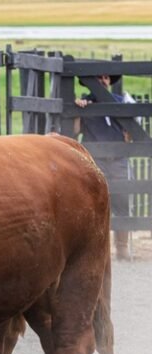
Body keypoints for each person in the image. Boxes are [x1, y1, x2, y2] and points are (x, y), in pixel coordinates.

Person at [74, 73, 134, 260]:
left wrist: (124, 143)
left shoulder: (119, 102)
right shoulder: (85, 102)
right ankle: (97, 252)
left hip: (117, 158)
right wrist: (78, 111)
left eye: (106, 77)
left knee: (122, 202)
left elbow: (129, 133)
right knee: (94, 205)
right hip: (95, 159)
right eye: (99, 77)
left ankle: (122, 247)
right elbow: (75, 130)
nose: (103, 81)